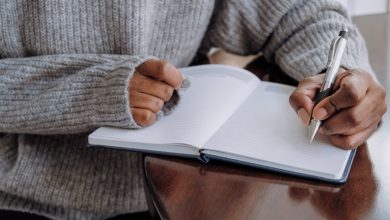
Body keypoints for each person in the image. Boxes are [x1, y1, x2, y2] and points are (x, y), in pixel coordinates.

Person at [0, 0, 386, 219]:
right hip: (24, 197)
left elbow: (297, 13)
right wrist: (91, 89)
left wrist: (343, 72)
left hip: (189, 189)